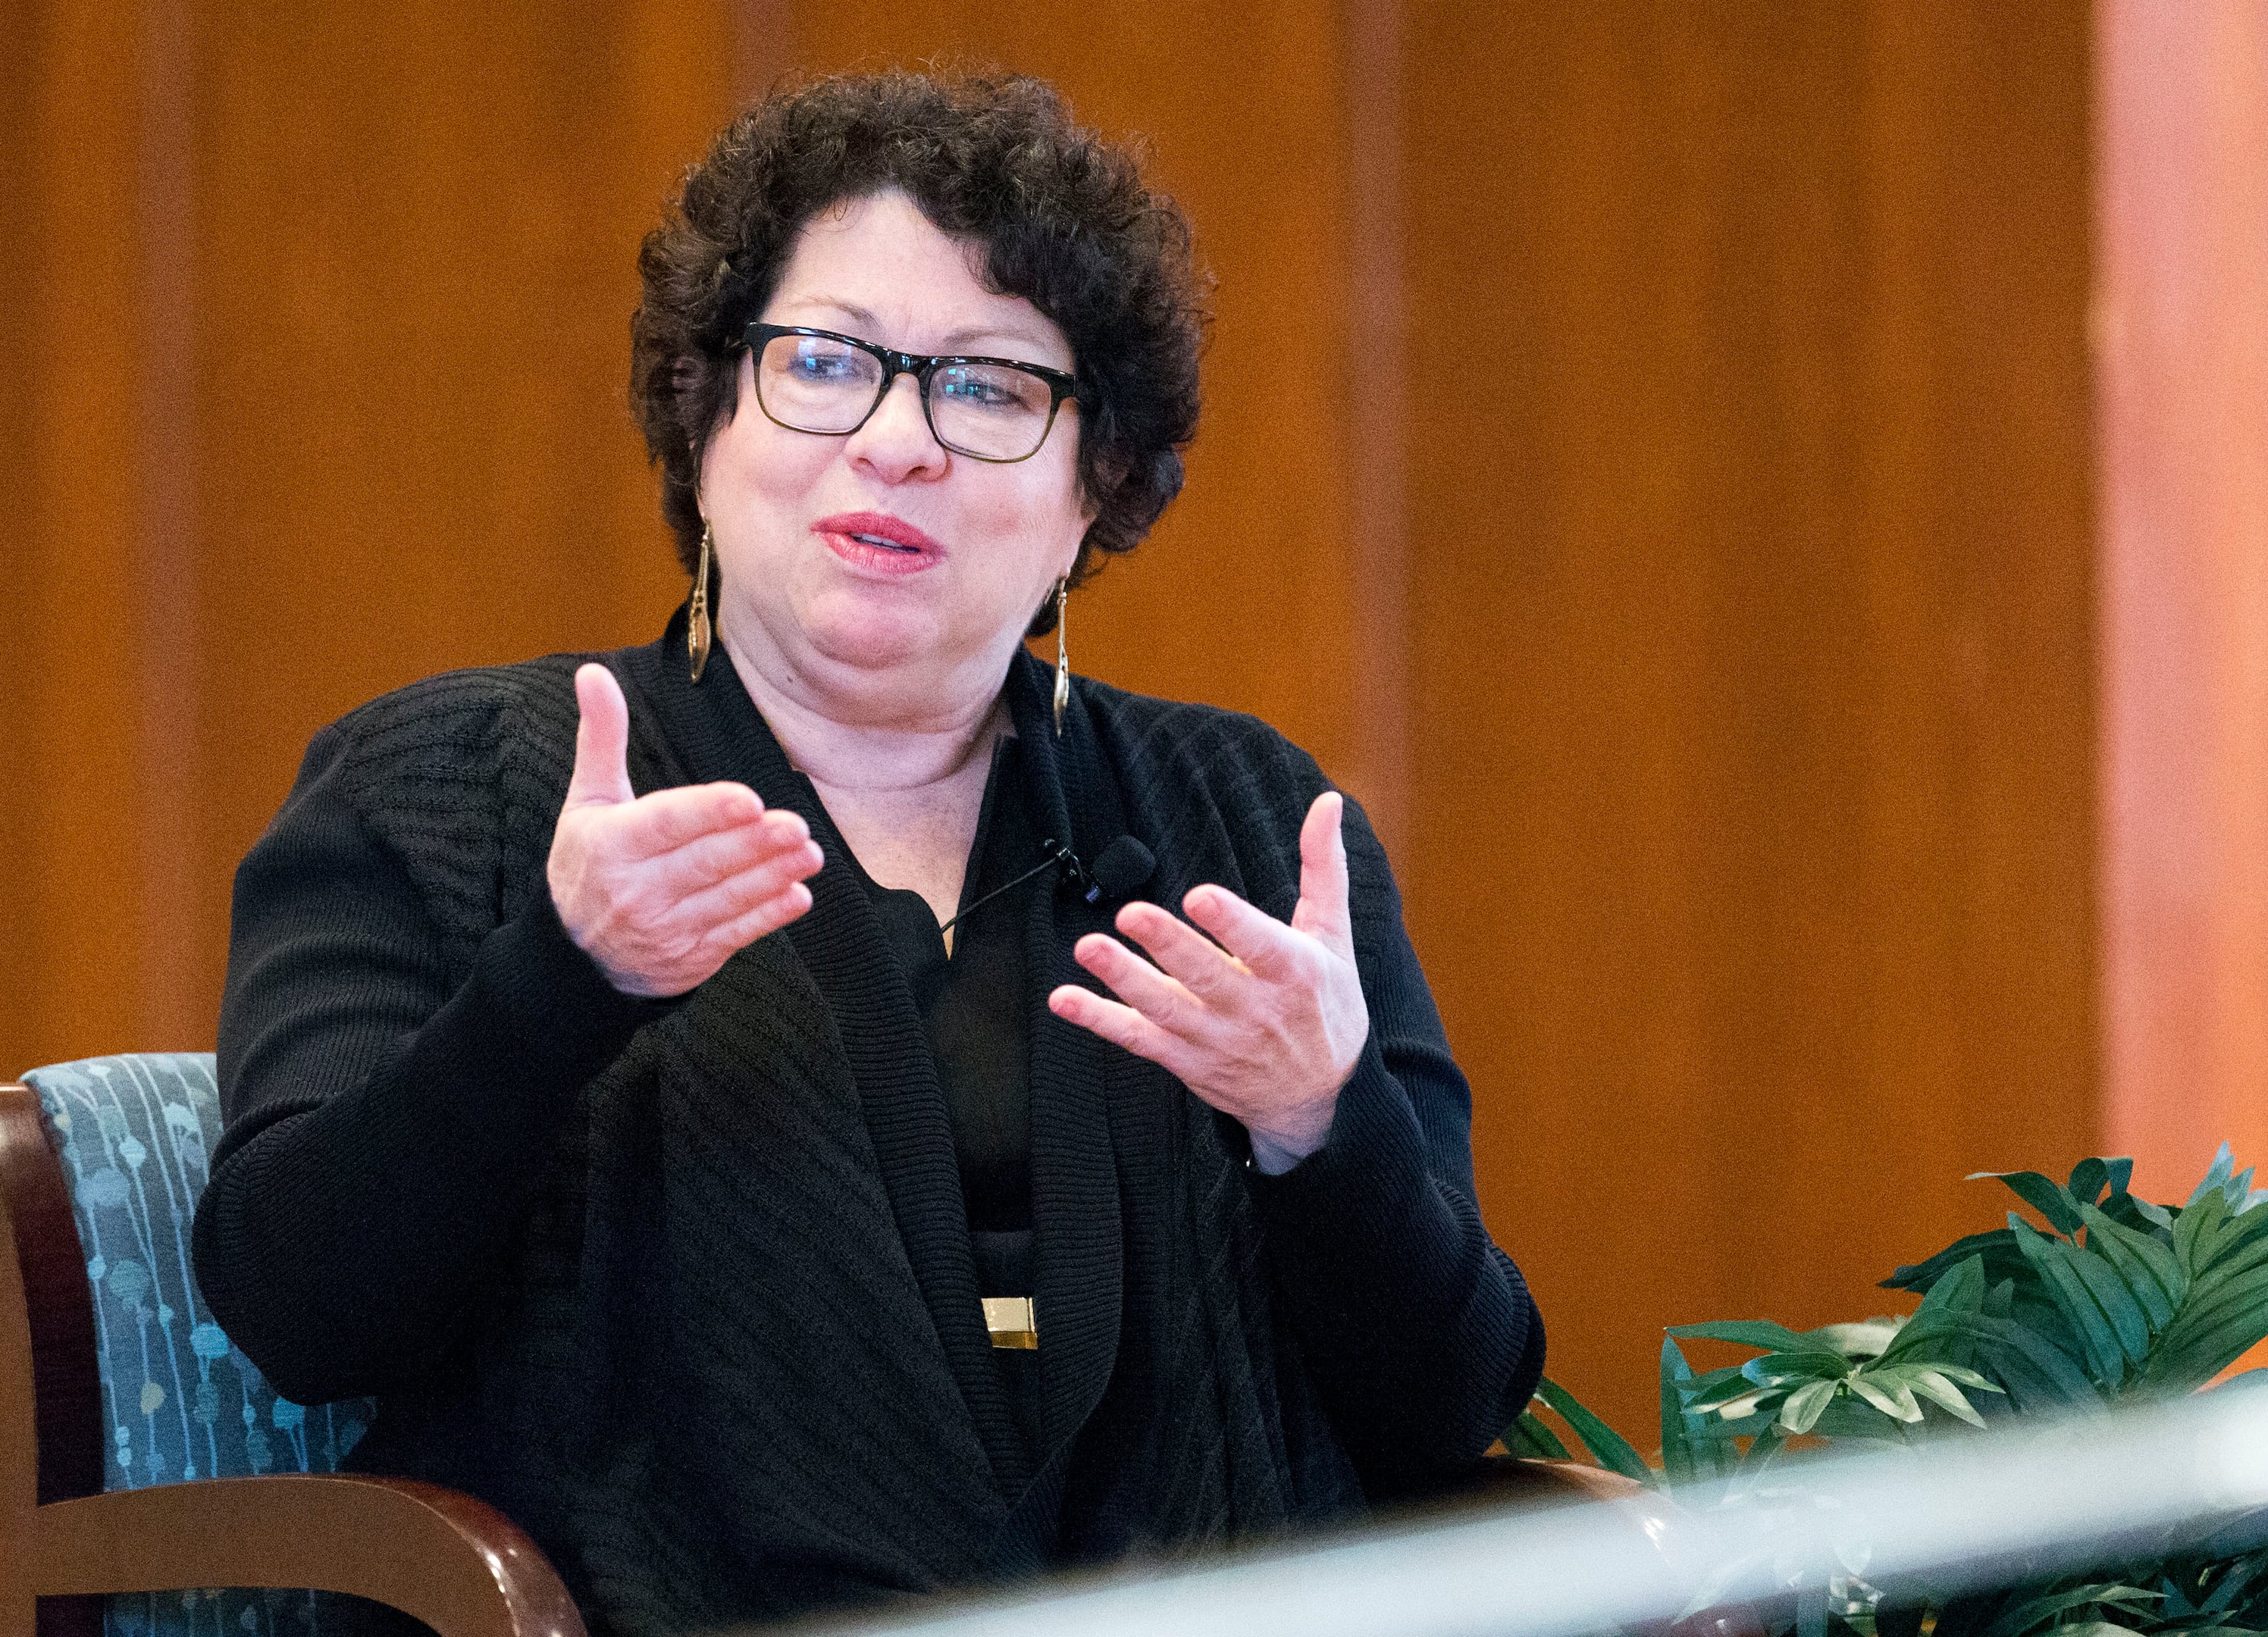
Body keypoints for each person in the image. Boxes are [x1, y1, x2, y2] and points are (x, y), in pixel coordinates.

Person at [193, 70, 1543, 1637]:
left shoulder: (1245, 824)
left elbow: (1454, 1405)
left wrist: (1321, 1126)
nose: (898, 441)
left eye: (990, 388)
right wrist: (557, 984)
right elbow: (298, 1308)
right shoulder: (452, 788)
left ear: (1095, 486)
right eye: (825, 363)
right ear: (705, 421)